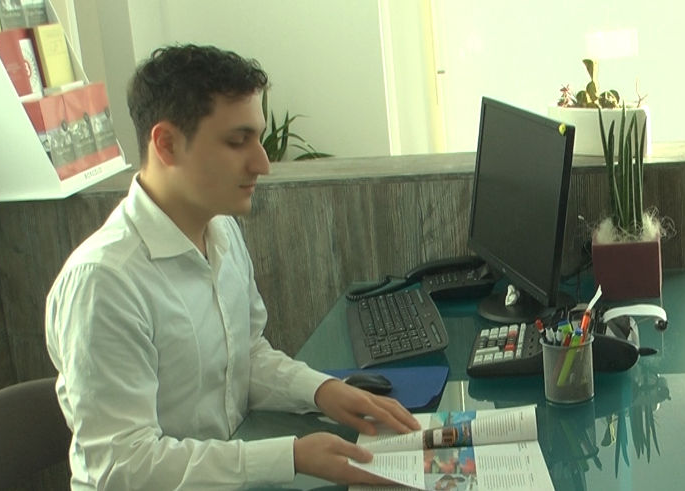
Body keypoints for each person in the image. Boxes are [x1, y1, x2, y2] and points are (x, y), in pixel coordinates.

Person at [45, 44, 420, 489]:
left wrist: (321, 390)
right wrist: (290, 456)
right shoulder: (105, 282)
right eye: (237, 141)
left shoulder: (220, 230)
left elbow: (245, 356)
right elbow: (122, 465)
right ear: (167, 144)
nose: (262, 163)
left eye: (258, 138)